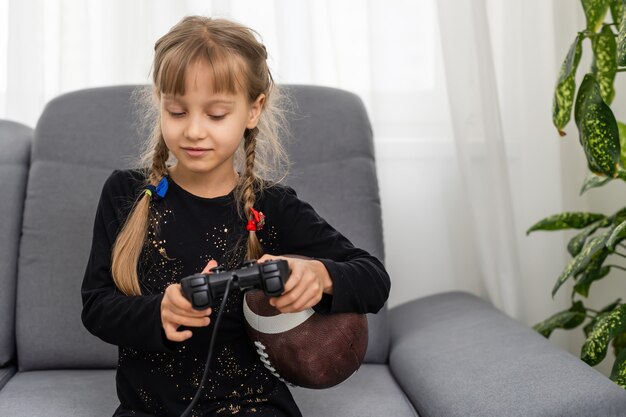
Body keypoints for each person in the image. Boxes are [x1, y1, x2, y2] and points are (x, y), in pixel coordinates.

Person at [81, 15, 390, 417]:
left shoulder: (271, 206)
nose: (193, 131)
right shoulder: (126, 193)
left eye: (215, 115)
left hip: (253, 408)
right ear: (159, 101)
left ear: (253, 110)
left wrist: (320, 276)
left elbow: (373, 278)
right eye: (176, 111)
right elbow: (97, 307)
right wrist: (158, 311)